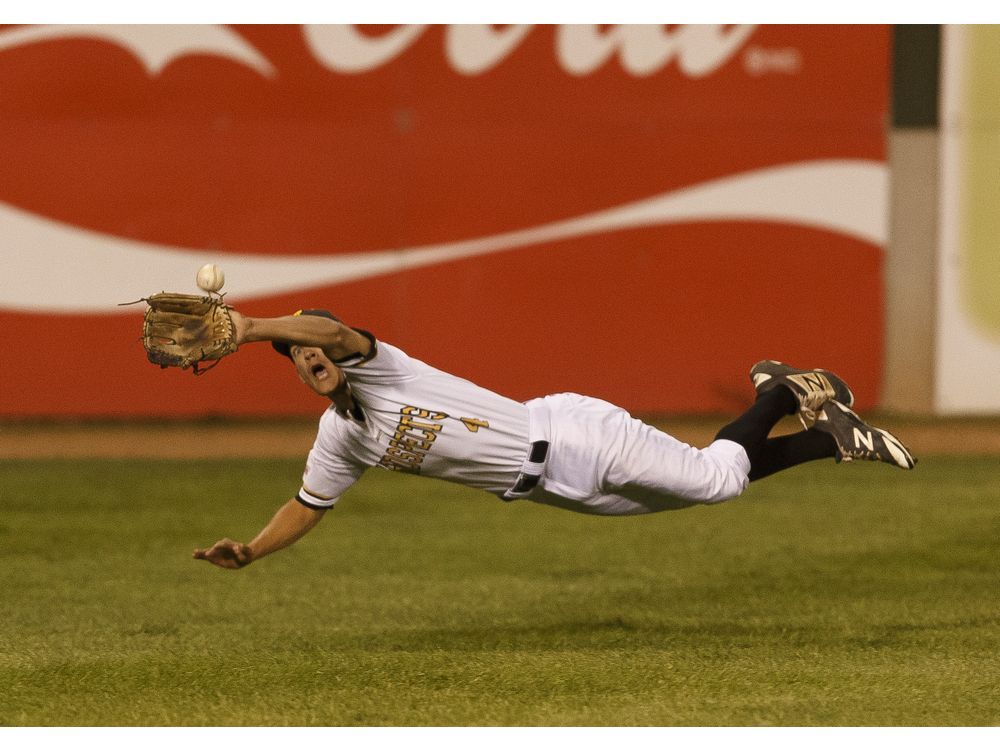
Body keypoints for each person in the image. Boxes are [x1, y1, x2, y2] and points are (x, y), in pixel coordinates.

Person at [193, 308, 915, 569]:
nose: (311, 358)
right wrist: (253, 549)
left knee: (716, 479)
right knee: (700, 485)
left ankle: (787, 397)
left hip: (569, 433)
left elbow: (332, 331)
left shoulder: (383, 371)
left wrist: (256, 328)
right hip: (554, 490)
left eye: (315, 348)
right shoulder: (339, 436)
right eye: (296, 357)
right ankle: (824, 426)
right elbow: (308, 503)